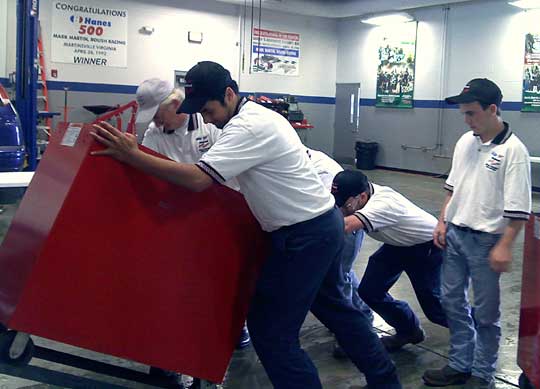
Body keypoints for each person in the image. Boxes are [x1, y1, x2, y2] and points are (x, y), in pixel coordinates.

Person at [91, 61, 401, 389]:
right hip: (318, 227)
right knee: (340, 313)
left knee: (271, 333)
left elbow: (198, 179)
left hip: (303, 236)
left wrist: (131, 155)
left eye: (208, 110)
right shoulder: (246, 119)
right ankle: (385, 380)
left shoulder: (248, 126)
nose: (206, 118)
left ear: (228, 94)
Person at [423, 79, 532, 389]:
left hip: (486, 242)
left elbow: (519, 210)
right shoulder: (465, 141)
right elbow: (452, 189)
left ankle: (482, 373)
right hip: (455, 234)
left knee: (485, 313)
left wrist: (505, 245)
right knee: (451, 301)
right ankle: (459, 363)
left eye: (471, 113)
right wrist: (442, 221)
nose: (467, 120)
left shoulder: (514, 151)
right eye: (464, 114)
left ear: (492, 109)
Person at [331, 169, 448, 352]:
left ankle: (482, 326)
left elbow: (344, 226)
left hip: (426, 246)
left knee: (435, 308)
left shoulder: (382, 204)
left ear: (362, 197)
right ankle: (409, 330)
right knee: (370, 291)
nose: (341, 209)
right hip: (397, 244)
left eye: (345, 205)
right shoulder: (359, 195)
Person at [306, 148, 373, 359]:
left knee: (338, 277)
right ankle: (362, 314)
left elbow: (344, 212)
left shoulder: (326, 175)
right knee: (341, 274)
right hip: (334, 214)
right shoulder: (297, 160)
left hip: (347, 220)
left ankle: (349, 332)